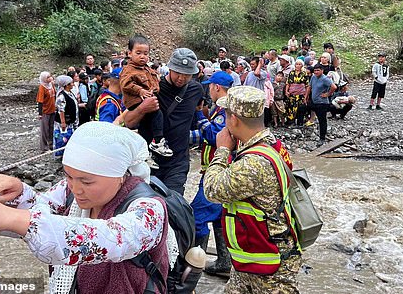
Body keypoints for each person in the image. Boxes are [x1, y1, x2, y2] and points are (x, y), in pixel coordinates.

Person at [0, 122, 171, 294]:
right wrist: (18, 194)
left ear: (119, 175)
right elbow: (44, 210)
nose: (75, 188)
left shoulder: (148, 209)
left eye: (87, 181)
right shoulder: (69, 191)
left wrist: (8, 217)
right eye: (68, 176)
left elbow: (106, 239)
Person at [203, 86, 301, 293]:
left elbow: (212, 190)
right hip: (255, 253)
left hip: (267, 261)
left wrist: (221, 150)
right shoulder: (273, 144)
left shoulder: (253, 163)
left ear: (234, 119)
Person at [124, 48, 203, 195]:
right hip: (149, 162)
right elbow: (128, 122)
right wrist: (143, 108)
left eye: (186, 75)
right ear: (170, 68)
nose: (181, 78)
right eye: (177, 72)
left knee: (174, 206)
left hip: (178, 162)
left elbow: (199, 109)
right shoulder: (153, 88)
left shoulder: (196, 90)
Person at [189, 71, 233, 277]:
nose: (208, 90)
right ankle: (224, 261)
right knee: (218, 217)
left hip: (217, 171)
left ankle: (194, 265)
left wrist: (199, 114)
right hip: (217, 169)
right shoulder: (222, 109)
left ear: (216, 87)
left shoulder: (225, 110)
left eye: (209, 86)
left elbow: (215, 136)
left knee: (196, 215)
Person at [120, 35, 173, 160]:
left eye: (145, 53)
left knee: (146, 128)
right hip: (137, 101)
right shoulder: (128, 70)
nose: (142, 56)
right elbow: (125, 84)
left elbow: (154, 83)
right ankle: (158, 141)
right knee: (157, 114)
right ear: (129, 53)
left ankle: (145, 154)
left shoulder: (147, 69)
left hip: (146, 99)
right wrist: (141, 91)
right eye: (138, 53)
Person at [308, 63, 337, 146]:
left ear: (322, 71)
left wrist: (327, 94)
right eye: (315, 70)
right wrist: (306, 96)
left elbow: (334, 87)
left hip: (322, 103)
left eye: (318, 70)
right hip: (314, 101)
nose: (316, 72)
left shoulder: (325, 79)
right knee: (303, 108)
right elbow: (309, 87)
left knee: (322, 120)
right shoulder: (313, 77)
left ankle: (322, 138)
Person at [54, 75, 78, 158]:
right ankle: (61, 154)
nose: (73, 84)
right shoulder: (61, 96)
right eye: (71, 83)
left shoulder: (70, 93)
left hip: (71, 121)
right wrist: (63, 122)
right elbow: (61, 110)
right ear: (67, 85)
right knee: (63, 138)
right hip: (64, 123)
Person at [285, 60, 309, 127]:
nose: (298, 66)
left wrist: (306, 96)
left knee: (300, 108)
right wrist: (286, 91)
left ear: (302, 65)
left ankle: (299, 122)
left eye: (299, 64)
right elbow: (288, 83)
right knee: (290, 108)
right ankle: (290, 122)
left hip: (301, 94)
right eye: (297, 64)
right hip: (292, 94)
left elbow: (307, 85)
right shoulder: (291, 73)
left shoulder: (304, 73)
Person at [37, 71, 56, 151]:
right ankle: (44, 147)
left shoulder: (51, 85)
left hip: (53, 109)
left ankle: (51, 144)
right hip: (45, 111)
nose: (50, 78)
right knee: (44, 130)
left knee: (52, 128)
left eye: (50, 76)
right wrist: (40, 113)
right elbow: (40, 101)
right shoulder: (42, 87)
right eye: (47, 77)